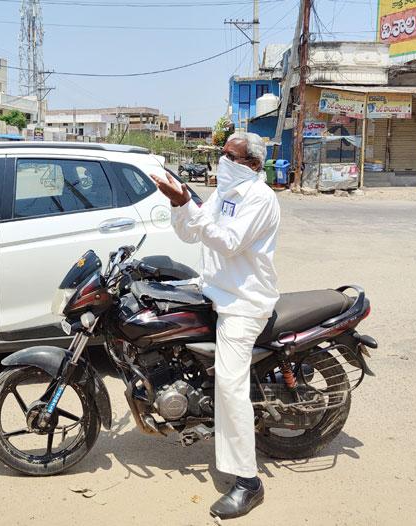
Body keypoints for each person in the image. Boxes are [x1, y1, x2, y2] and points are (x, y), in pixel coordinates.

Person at [150, 131, 280, 520]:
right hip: (213, 291)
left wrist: (189, 203)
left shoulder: (259, 197)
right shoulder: (226, 193)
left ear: (253, 165)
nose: (223, 161)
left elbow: (228, 242)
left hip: (243, 302)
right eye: (222, 154)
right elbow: (192, 231)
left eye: (232, 156)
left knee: (229, 383)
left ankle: (248, 482)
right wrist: (181, 205)